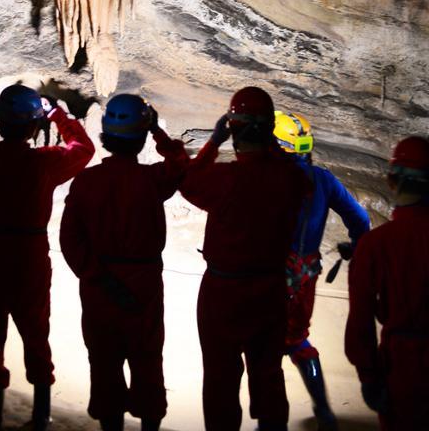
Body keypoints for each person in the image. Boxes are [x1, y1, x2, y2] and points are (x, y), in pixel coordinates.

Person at [180, 86, 311, 431]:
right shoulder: (291, 178)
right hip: (268, 290)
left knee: (220, 378)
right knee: (267, 374)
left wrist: (214, 141)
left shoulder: (223, 179)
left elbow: (188, 181)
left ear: (233, 128)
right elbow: (296, 175)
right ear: (269, 130)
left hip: (222, 291)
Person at [0, 84, 94, 431]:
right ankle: (41, 414)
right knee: (35, 331)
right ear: (34, 127)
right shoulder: (44, 162)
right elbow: (84, 148)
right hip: (28, 255)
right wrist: (58, 114)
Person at [59, 93, 189, 431]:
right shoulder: (151, 181)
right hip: (143, 284)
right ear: (142, 136)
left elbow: (70, 240)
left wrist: (97, 277)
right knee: (147, 362)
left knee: (104, 364)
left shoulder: (86, 182)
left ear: (104, 135)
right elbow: (181, 165)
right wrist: (158, 131)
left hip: (99, 287)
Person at [273, 110, 370, 430]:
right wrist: (355, 245)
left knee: (264, 346)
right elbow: (359, 219)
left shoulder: (266, 178)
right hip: (305, 275)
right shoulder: (323, 181)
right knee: (298, 340)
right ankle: (324, 410)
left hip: (270, 275)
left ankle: (270, 420)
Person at [345, 135, 429, 430]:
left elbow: (360, 322)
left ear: (392, 181)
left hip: (401, 368)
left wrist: (368, 376)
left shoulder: (376, 245)